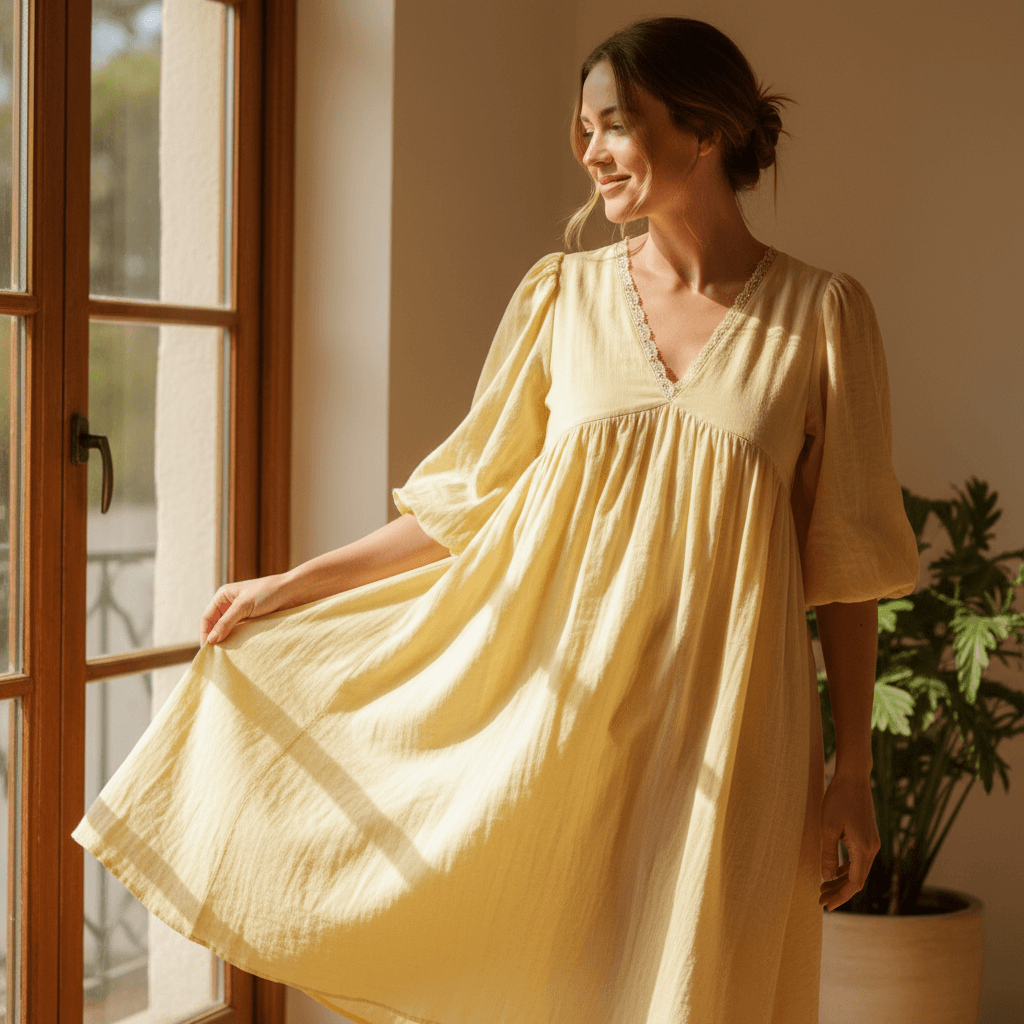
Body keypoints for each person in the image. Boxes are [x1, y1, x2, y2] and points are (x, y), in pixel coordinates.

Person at [73, 16, 919, 1024]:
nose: (591, 153)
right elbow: (461, 502)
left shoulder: (821, 317)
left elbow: (849, 566)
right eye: (582, 131)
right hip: (561, 717)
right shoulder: (561, 299)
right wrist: (289, 585)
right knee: (552, 983)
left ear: (701, 129)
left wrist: (852, 772)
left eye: (614, 125)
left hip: (735, 726)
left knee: (708, 989)